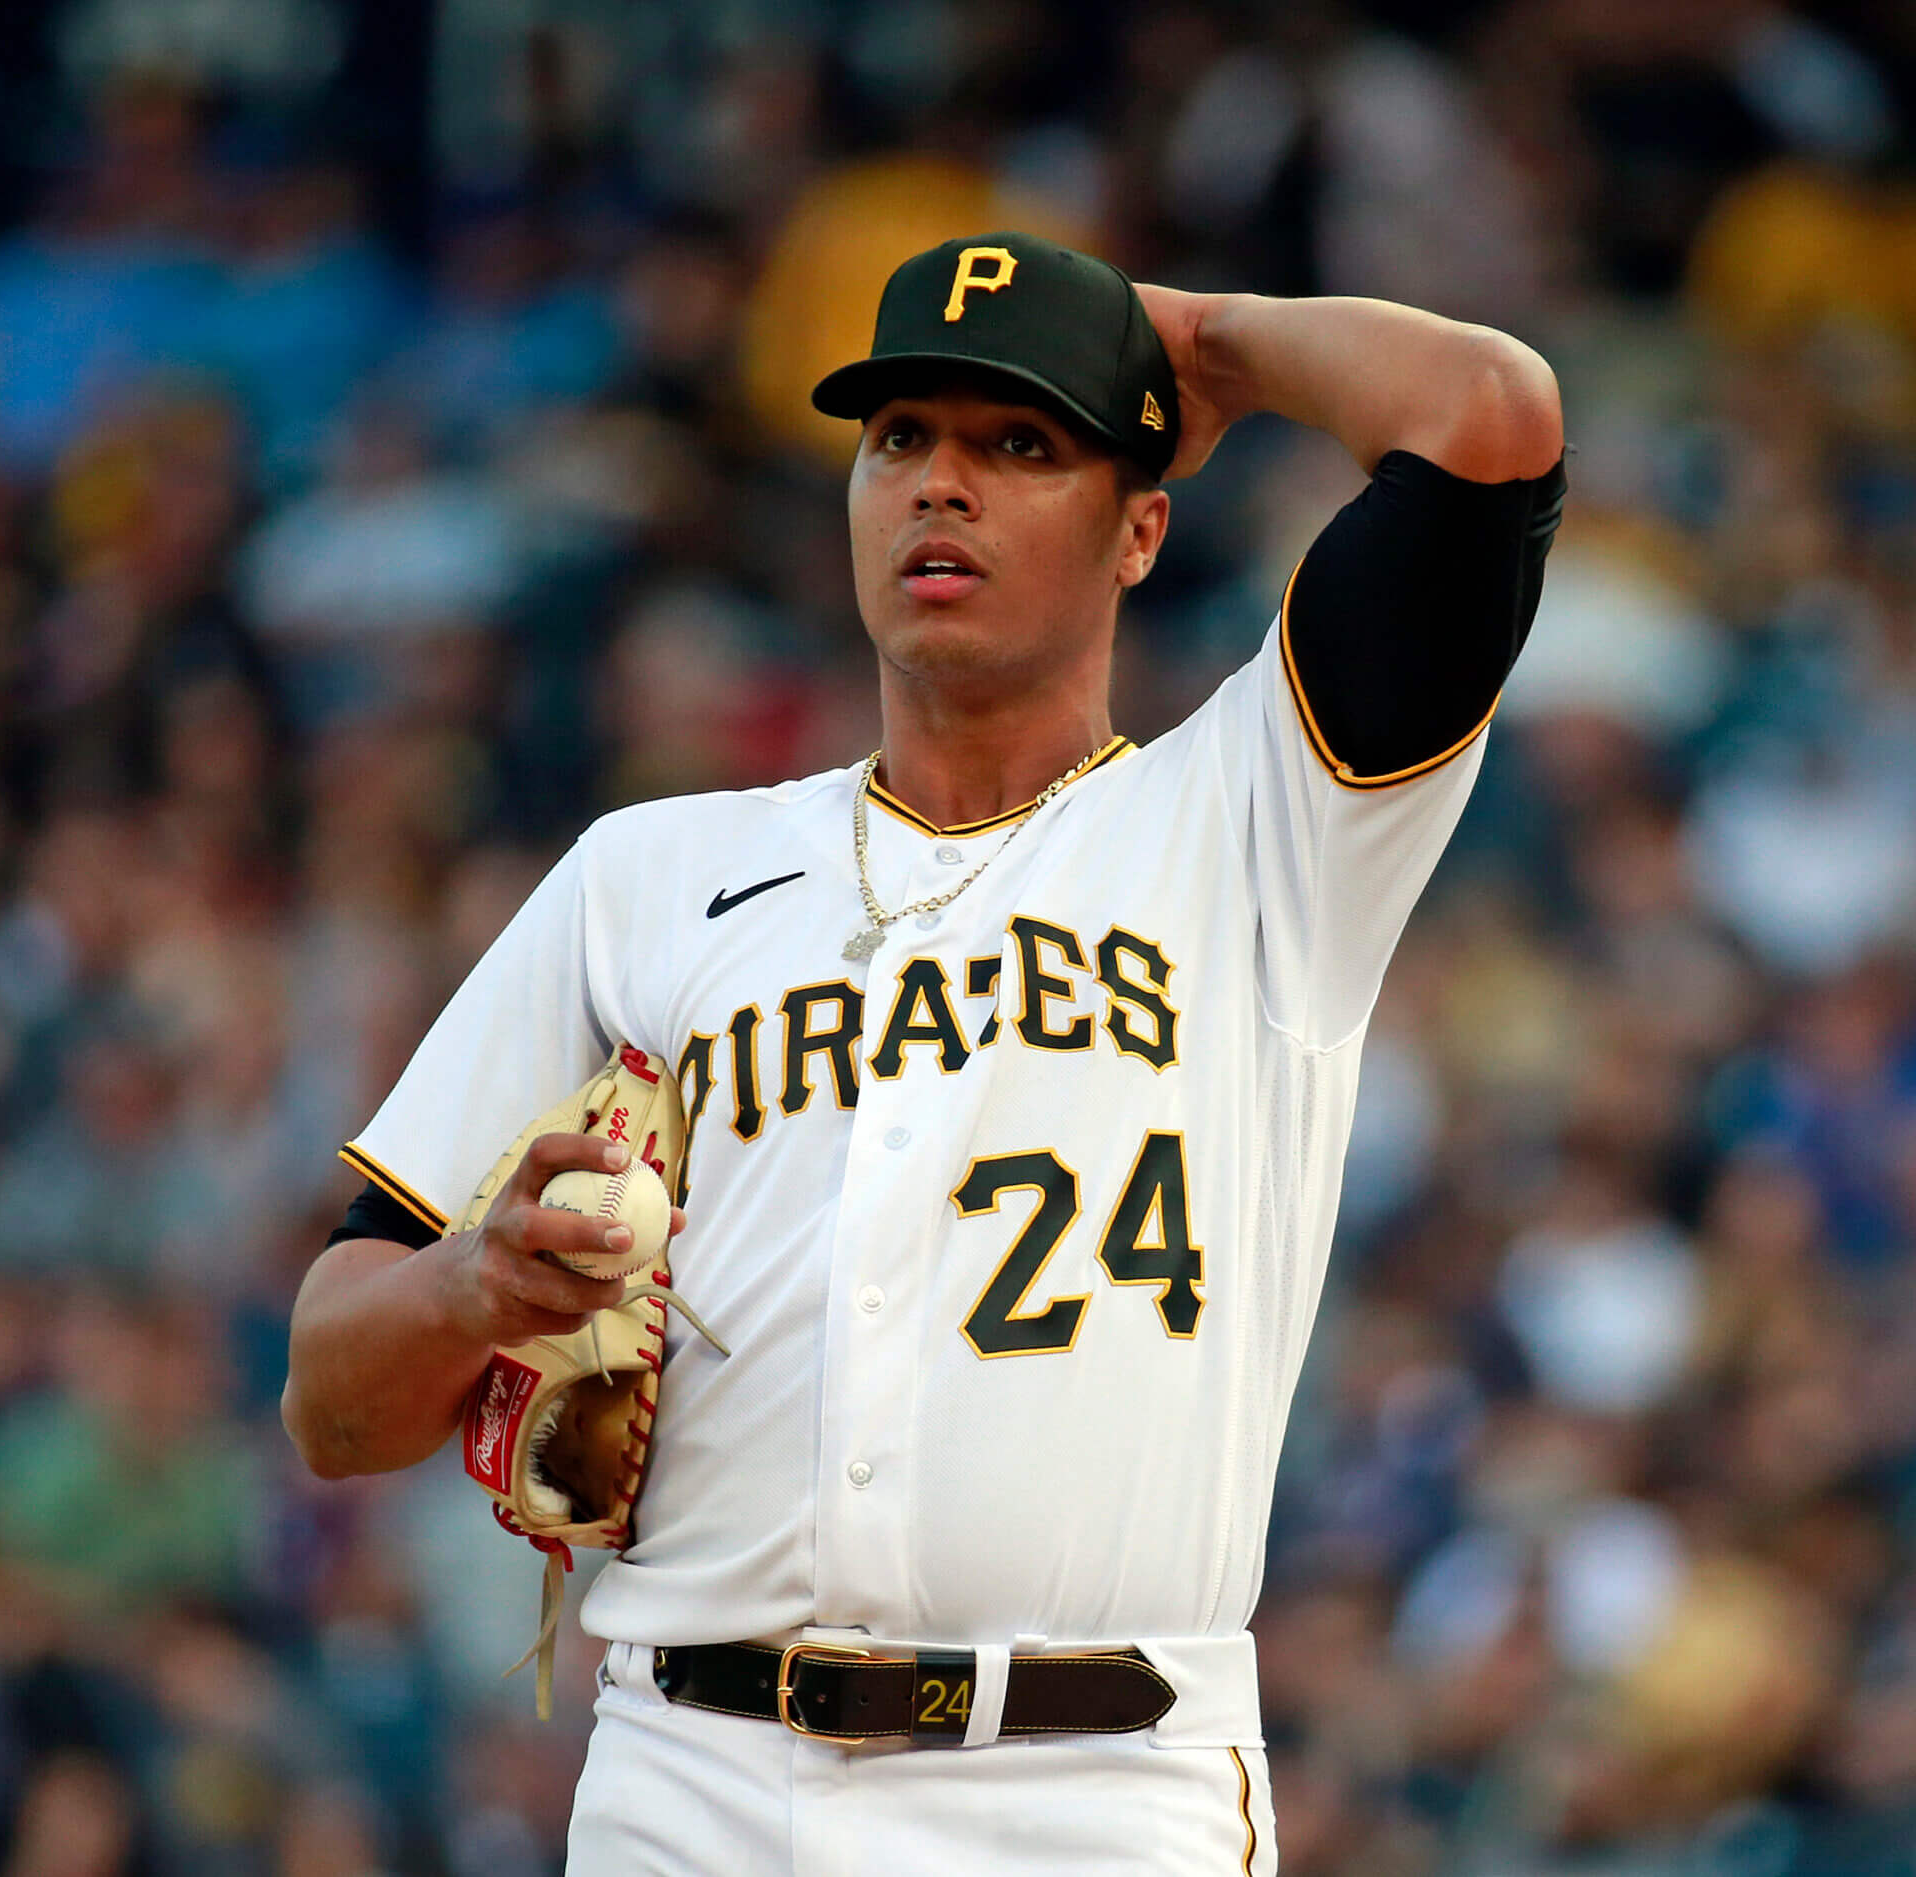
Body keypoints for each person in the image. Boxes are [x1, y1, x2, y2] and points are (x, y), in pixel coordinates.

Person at [282, 232, 1565, 1871]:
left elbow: (1492, 413)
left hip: (1094, 1793)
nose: (939, 486)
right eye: (902, 440)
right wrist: (479, 1285)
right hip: (696, 1782)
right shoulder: (646, 880)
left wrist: (1202, 345)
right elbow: (331, 1400)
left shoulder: (1260, 819)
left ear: (1142, 527)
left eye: (1020, 443)